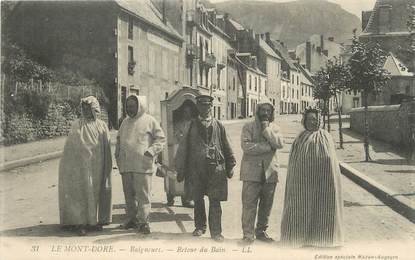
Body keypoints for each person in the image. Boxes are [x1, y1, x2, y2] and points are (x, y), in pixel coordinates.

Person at [280, 107, 344, 248]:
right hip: (303, 181)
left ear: (319, 120)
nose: (312, 122)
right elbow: (293, 162)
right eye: (309, 119)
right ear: (304, 121)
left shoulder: (326, 136)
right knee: (300, 206)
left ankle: (321, 238)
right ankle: (299, 237)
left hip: (323, 180)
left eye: (315, 119)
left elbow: (331, 160)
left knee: (322, 207)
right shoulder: (300, 138)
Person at [175, 95, 236, 242]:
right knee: (198, 199)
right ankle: (200, 227)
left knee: (215, 200)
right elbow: (183, 148)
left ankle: (216, 232)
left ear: (211, 107)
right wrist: (181, 169)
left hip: (216, 169)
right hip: (196, 169)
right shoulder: (191, 125)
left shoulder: (219, 125)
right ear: (198, 107)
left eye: (207, 105)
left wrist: (230, 165)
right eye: (201, 105)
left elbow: (227, 146)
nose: (205, 108)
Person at [59, 96, 112, 236]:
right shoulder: (77, 124)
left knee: (95, 192)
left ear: (95, 109)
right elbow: (74, 143)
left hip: (98, 164)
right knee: (81, 191)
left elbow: (106, 145)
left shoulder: (102, 125)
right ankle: (80, 222)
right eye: (84, 108)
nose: (86, 111)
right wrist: (84, 152)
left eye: (89, 108)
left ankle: (92, 221)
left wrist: (106, 164)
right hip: (81, 165)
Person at [115, 95, 166, 234]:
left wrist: (151, 151)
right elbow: (119, 140)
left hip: (143, 165)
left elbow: (161, 139)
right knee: (129, 195)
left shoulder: (150, 120)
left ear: (140, 106)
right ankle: (132, 219)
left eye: (132, 106)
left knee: (143, 195)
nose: (129, 109)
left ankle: (144, 222)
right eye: (127, 106)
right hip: (126, 164)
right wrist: (118, 155)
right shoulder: (125, 122)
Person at [239, 102, 284, 245]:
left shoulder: (275, 128)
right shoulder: (248, 127)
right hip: (251, 172)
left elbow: (279, 144)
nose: (265, 113)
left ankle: (261, 232)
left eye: (268, 111)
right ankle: (248, 235)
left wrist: (266, 130)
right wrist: (266, 147)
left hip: (270, 172)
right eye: (263, 110)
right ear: (257, 111)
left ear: (272, 113)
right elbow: (246, 147)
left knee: (266, 205)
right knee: (249, 205)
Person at [167, 101, 195, 208]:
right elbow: (174, 133)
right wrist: (180, 136)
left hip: (190, 152)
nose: (186, 114)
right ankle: (171, 195)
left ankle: (187, 198)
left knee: (188, 176)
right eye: (184, 112)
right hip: (177, 149)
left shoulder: (194, 123)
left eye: (188, 112)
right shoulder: (179, 123)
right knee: (174, 173)